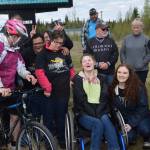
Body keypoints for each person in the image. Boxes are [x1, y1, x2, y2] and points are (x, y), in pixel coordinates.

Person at [35, 30, 75, 149]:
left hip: (64, 92)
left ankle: (63, 141)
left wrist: (73, 79)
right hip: (49, 94)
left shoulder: (64, 52)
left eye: (61, 43)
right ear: (50, 40)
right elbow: (39, 72)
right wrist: (47, 87)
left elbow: (71, 68)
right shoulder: (43, 54)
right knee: (48, 119)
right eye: (57, 42)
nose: (59, 45)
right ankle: (49, 143)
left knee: (61, 117)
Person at [0, 19, 36, 149]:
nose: (18, 39)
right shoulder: (1, 46)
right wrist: (1, 87)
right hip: (1, 88)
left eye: (19, 37)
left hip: (10, 88)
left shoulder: (15, 50)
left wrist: (27, 75)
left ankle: (14, 144)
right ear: (10, 33)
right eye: (17, 36)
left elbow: (20, 67)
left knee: (15, 117)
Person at [72, 54, 120, 150]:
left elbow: (104, 97)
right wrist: (95, 113)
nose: (87, 62)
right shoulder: (77, 79)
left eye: (89, 60)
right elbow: (81, 100)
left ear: (94, 63)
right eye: (84, 61)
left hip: (101, 110)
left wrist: (98, 112)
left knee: (105, 120)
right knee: (97, 123)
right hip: (84, 113)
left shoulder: (102, 78)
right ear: (82, 65)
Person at [108, 64, 150, 149]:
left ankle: (147, 138)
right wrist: (120, 124)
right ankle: (133, 135)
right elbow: (112, 108)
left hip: (140, 116)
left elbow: (143, 108)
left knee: (145, 130)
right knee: (128, 139)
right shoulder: (112, 88)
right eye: (119, 72)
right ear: (116, 74)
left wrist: (131, 124)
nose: (121, 75)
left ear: (130, 74)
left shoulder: (138, 87)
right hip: (124, 119)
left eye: (124, 73)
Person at [85, 22, 118, 87]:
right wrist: (97, 64)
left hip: (110, 72)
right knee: (99, 92)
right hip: (96, 73)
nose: (105, 31)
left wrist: (108, 63)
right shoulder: (89, 42)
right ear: (97, 30)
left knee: (111, 90)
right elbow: (87, 57)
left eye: (107, 29)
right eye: (103, 29)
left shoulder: (111, 40)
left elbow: (115, 54)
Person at [120, 18, 150, 84]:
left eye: (137, 27)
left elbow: (149, 54)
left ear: (141, 28)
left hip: (142, 70)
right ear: (132, 28)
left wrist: (143, 63)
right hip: (128, 70)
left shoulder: (147, 39)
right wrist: (124, 63)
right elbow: (122, 53)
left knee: (140, 88)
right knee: (128, 87)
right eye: (134, 27)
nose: (135, 29)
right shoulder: (126, 39)